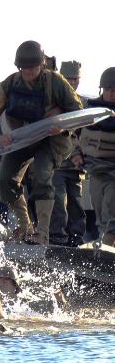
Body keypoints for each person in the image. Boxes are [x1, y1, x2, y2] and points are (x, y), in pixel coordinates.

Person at [0, 41, 83, 245]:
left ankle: (43, 233)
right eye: (24, 68)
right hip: (24, 138)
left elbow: (78, 110)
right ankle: (25, 226)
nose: (28, 72)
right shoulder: (10, 84)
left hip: (54, 139)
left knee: (42, 174)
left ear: (42, 65)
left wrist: (62, 125)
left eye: (33, 68)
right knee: (5, 180)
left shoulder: (55, 81)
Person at [74, 67, 115, 247]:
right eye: (108, 90)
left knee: (110, 219)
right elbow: (72, 135)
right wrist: (76, 153)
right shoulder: (89, 110)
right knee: (100, 216)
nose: (111, 94)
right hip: (95, 170)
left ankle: (105, 252)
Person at [49, 60, 87, 246]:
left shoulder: (81, 105)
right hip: (57, 163)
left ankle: (75, 240)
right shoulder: (53, 103)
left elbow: (85, 135)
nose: (72, 83)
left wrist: (81, 155)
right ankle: (58, 239)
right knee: (58, 202)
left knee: (77, 205)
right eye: (68, 79)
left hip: (76, 167)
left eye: (75, 80)